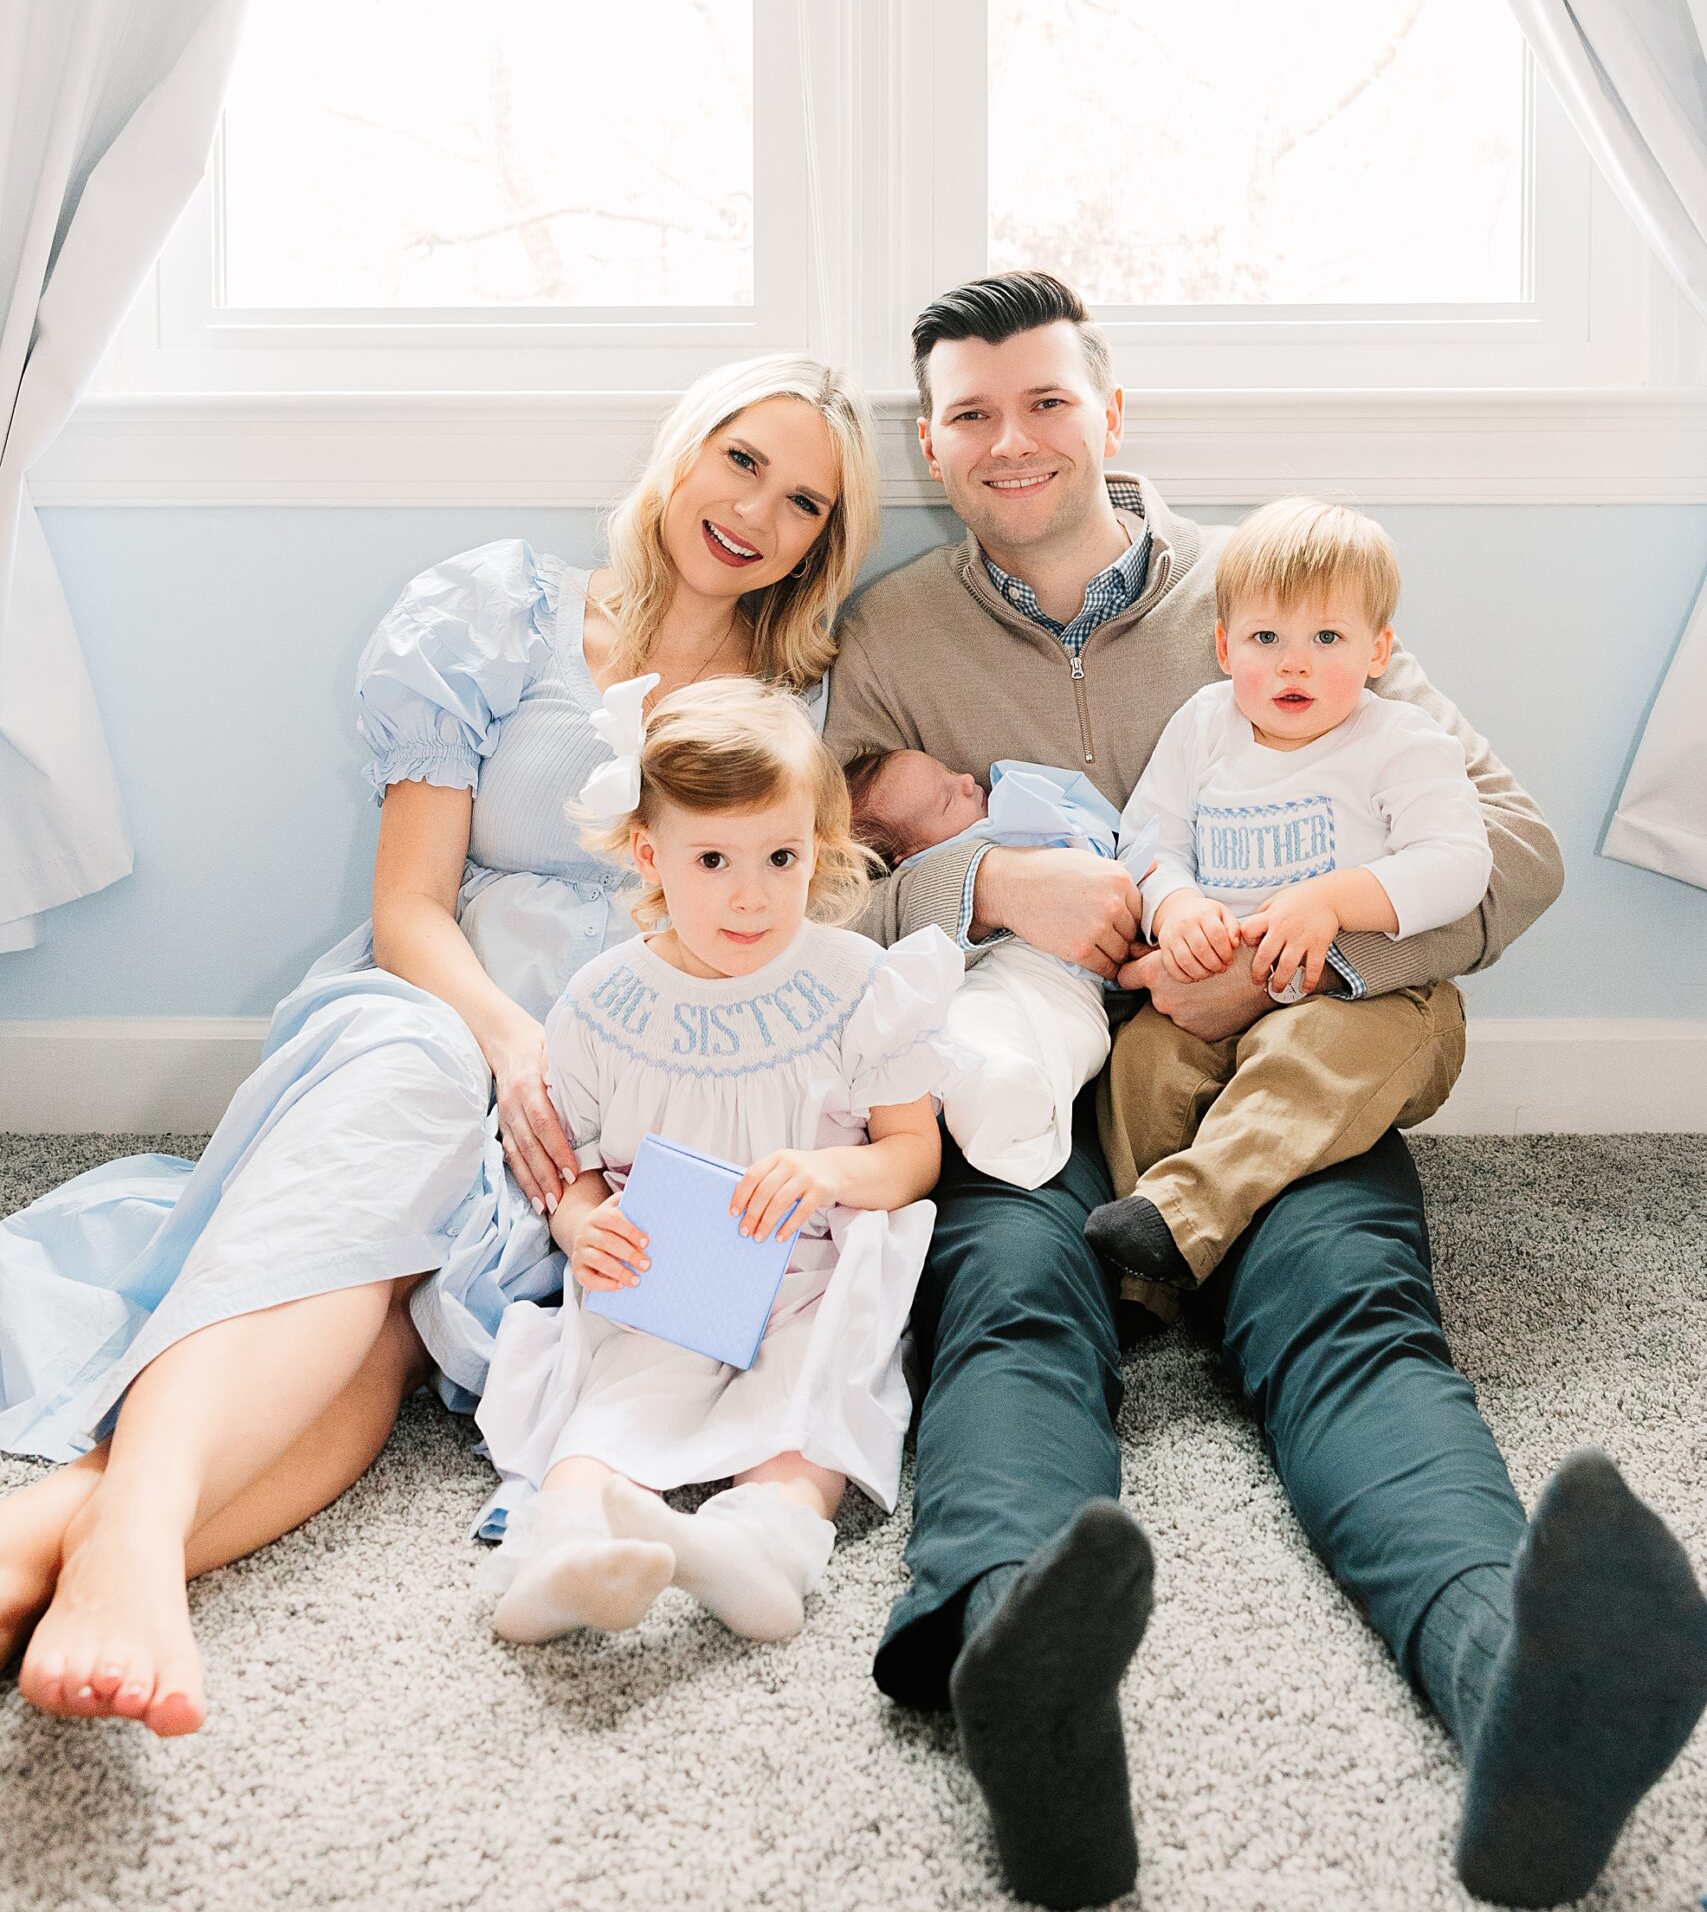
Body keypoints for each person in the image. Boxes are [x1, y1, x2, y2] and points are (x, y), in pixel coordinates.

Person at [825, 270, 1707, 1912]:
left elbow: (1501, 848)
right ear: (931, 443)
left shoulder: (1276, 590)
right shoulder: (887, 639)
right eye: (968, 414)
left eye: (1044, 401)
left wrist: (1297, 960)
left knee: (1349, 1313)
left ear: (1110, 411)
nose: (1010, 441)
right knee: (1006, 1312)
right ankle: (1018, 1686)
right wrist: (987, 891)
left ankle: (1513, 1677)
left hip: (1252, 1072)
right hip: (1014, 1078)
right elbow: (789, 908)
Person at [0, 354, 880, 1739]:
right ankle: (131, 1543)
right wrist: (508, 1041)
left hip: (607, 1093)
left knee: (390, 1322)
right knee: (382, 1161)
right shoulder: (499, 612)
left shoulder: (797, 703)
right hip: (441, 1010)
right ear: (682, 450)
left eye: (805, 504)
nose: (757, 511)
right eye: (740, 460)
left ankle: (50, 1545)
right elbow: (407, 908)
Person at [475, 677, 958, 1647]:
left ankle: (756, 1549)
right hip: (669, 1271)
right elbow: (567, 1163)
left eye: (781, 856)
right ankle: (561, 1552)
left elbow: (913, 1156)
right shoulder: (604, 1003)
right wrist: (581, 1223)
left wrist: (829, 1173)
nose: (752, 893)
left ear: (815, 848)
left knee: (809, 1401)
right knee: (607, 1401)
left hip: (806, 1268)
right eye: (713, 859)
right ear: (650, 855)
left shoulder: (855, 984)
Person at [1083, 493, 1491, 1292]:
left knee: (1298, 1056)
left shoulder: (1398, 740)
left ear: (1378, 650)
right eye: (1265, 637)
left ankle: (1183, 1216)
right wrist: (1176, 904)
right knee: (1140, 1064)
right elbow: (1148, 837)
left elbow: (1457, 862)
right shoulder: (1204, 725)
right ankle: (1140, 1286)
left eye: (1326, 638)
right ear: (1223, 646)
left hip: (1374, 1006)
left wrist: (1335, 901)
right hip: (1211, 993)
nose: (1292, 663)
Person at [844, 748, 1132, 1189]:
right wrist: (991, 886)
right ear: (912, 853)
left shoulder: (1020, 808)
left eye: (947, 772)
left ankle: (1003, 1094)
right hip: (983, 976)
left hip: (1063, 980)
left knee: (1034, 1034)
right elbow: (841, 915)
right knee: (967, 1026)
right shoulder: (933, 864)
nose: (965, 780)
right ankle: (995, 1093)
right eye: (946, 800)